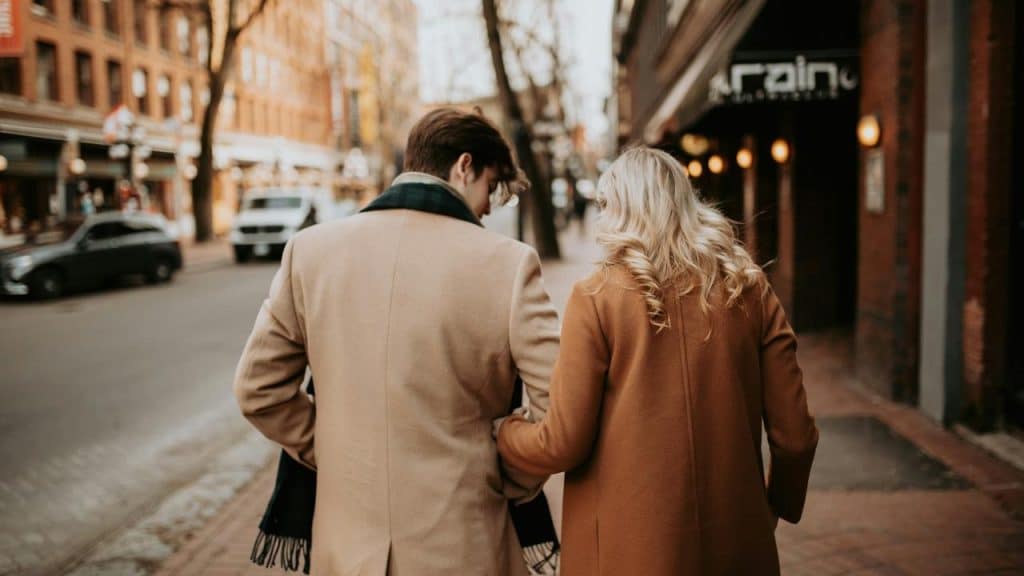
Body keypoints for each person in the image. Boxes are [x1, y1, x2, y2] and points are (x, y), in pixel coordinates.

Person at [234, 107, 560, 575]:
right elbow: (559, 407)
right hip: (463, 544)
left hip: (346, 551)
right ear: (463, 166)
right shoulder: (509, 264)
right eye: (490, 187)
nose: (488, 207)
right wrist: (507, 472)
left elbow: (256, 390)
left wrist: (333, 447)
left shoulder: (310, 251)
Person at [497, 147, 819, 576]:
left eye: (605, 206)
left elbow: (563, 441)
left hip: (622, 551)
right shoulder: (750, 289)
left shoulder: (595, 299)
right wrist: (775, 505)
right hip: (738, 544)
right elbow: (796, 436)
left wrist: (506, 433)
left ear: (621, 211)